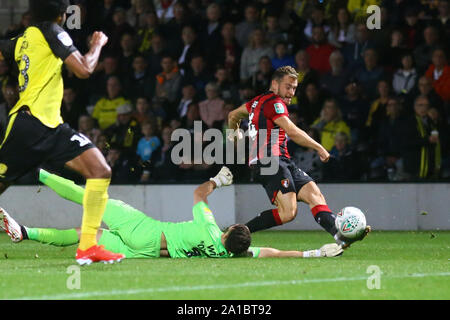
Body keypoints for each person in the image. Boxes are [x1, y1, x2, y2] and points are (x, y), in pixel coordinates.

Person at [0, 0, 124, 264]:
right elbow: (84, 69)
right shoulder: (52, 31)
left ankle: (88, 247)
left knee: (100, 170)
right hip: (30, 125)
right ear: (61, 14)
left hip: (50, 127)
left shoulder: (23, 39)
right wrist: (97, 44)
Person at [0, 168, 343, 259]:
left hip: (146, 231)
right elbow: (271, 253)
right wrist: (311, 252)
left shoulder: (211, 229)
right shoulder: (226, 254)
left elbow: (197, 194)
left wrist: (216, 181)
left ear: (229, 230)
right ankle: (25, 232)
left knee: (93, 198)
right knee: (82, 236)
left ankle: (39, 172)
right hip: (143, 252)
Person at [227, 66, 370, 249]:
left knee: (315, 195)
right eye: (288, 87)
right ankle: (236, 233)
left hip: (281, 160)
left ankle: (340, 236)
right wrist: (319, 147)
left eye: (294, 88)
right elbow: (292, 131)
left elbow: (233, 115)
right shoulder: (274, 102)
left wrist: (235, 139)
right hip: (269, 161)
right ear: (274, 84)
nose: (291, 92)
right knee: (288, 212)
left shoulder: (256, 102)